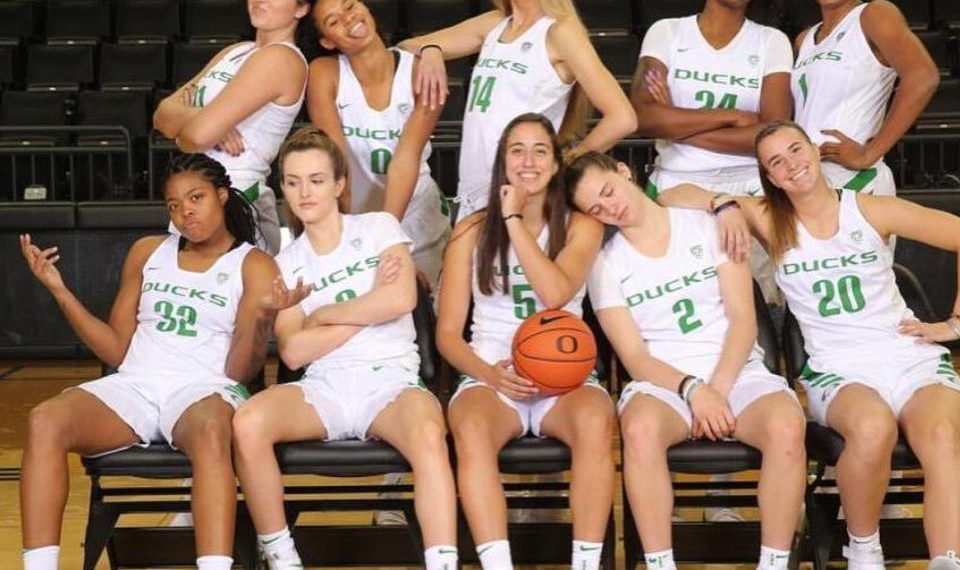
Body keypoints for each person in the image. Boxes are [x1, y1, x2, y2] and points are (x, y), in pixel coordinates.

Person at [670, 119, 960, 570]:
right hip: (838, 366)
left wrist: (956, 323)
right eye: (776, 163)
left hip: (908, 354)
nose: (791, 165)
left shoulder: (870, 209)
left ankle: (948, 561)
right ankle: (864, 551)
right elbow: (669, 197)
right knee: (873, 427)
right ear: (769, 176)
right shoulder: (767, 216)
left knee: (941, 434)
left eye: (796, 151)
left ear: (816, 152)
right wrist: (722, 203)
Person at [19, 154, 288, 570]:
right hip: (136, 386)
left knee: (214, 430)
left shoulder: (253, 263)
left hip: (205, 389)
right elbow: (115, 350)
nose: (185, 213)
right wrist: (60, 291)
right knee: (44, 420)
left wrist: (260, 320)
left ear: (221, 196)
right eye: (174, 205)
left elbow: (241, 371)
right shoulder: (147, 252)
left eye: (196, 198)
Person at [563, 150, 806, 570]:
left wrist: (717, 391)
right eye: (596, 208)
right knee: (638, 429)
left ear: (625, 170)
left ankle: (775, 562)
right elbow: (635, 357)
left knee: (786, 424)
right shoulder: (603, 264)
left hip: (736, 371)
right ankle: (661, 564)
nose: (611, 207)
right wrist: (694, 390)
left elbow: (743, 319)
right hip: (665, 383)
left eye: (608, 191)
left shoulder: (707, 223)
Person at [230, 127, 458, 570]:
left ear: (338, 184)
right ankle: (282, 557)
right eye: (293, 182)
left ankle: (442, 563)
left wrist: (323, 314)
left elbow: (402, 300)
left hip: (390, 380)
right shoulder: (285, 262)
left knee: (430, 434)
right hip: (325, 387)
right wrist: (366, 306)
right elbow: (295, 353)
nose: (304, 192)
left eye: (316, 180)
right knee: (248, 421)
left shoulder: (378, 227)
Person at [436, 113, 612, 570]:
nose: (528, 161)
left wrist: (514, 219)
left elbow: (555, 294)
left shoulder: (581, 225)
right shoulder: (470, 232)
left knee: (596, 421)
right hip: (494, 372)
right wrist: (488, 373)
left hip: (566, 374)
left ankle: (586, 564)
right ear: (502, 163)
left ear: (556, 165)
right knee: (470, 429)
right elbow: (448, 335)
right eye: (517, 150)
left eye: (540, 151)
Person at [398, 0, 637, 220]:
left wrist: (565, 164)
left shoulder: (559, 30)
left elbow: (623, 118)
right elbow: (406, 47)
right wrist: (431, 49)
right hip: (473, 191)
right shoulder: (495, 23)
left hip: (523, 195)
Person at [633, 0, 791, 307]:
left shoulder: (771, 42)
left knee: (764, 308)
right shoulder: (667, 33)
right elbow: (642, 116)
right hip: (678, 190)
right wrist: (730, 117)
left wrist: (679, 124)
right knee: (686, 303)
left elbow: (771, 132)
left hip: (751, 189)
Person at [306, 0, 451, 290]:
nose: (349, 19)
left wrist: (387, 240)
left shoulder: (420, 70)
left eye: (350, 6)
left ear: (365, 8)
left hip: (417, 218)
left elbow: (405, 160)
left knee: (423, 317)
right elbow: (337, 165)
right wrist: (354, 241)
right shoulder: (324, 73)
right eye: (334, 21)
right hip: (356, 221)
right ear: (327, 41)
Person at [153, 0, 313, 254]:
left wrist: (193, 127)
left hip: (237, 195)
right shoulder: (236, 51)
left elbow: (193, 137)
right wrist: (206, 120)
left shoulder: (283, 58)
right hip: (195, 192)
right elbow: (161, 116)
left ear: (302, 8)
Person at [790, 0, 938, 196]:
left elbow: (923, 77)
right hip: (809, 177)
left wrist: (870, 152)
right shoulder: (804, 39)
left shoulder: (875, 14)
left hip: (856, 178)